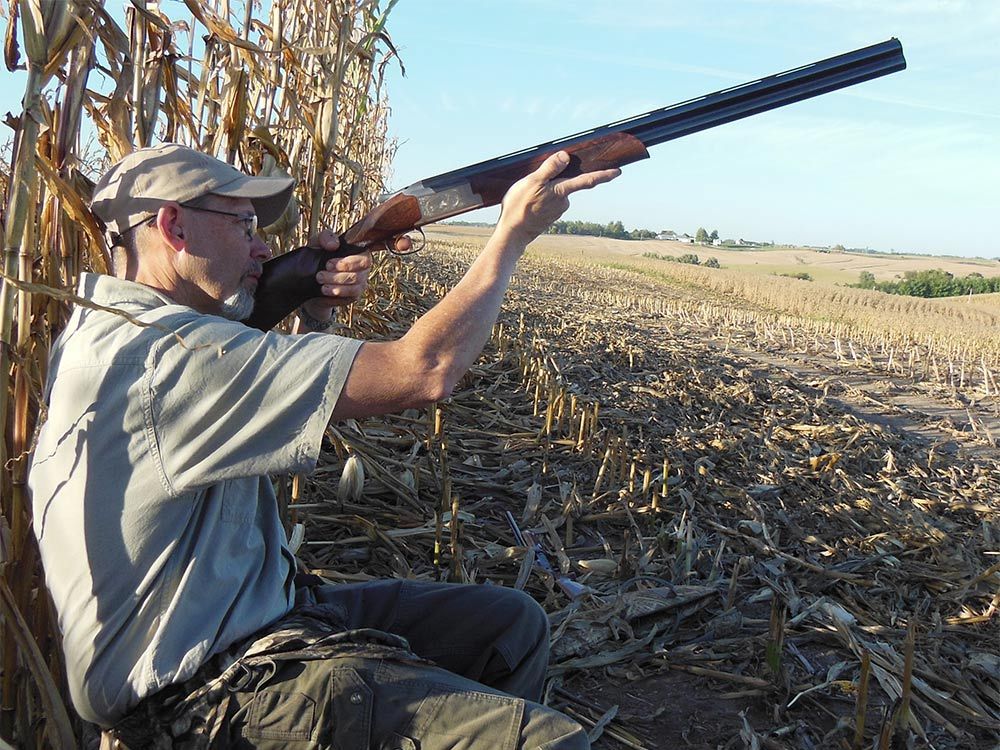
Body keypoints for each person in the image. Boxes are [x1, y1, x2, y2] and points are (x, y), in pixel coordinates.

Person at [28, 142, 618, 749]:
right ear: (173, 226)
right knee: (550, 743)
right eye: (246, 225)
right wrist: (511, 236)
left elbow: (231, 395)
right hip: (208, 696)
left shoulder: (112, 332)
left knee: (509, 626)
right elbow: (426, 370)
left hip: (263, 620)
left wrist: (309, 311)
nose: (262, 248)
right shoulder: (168, 360)